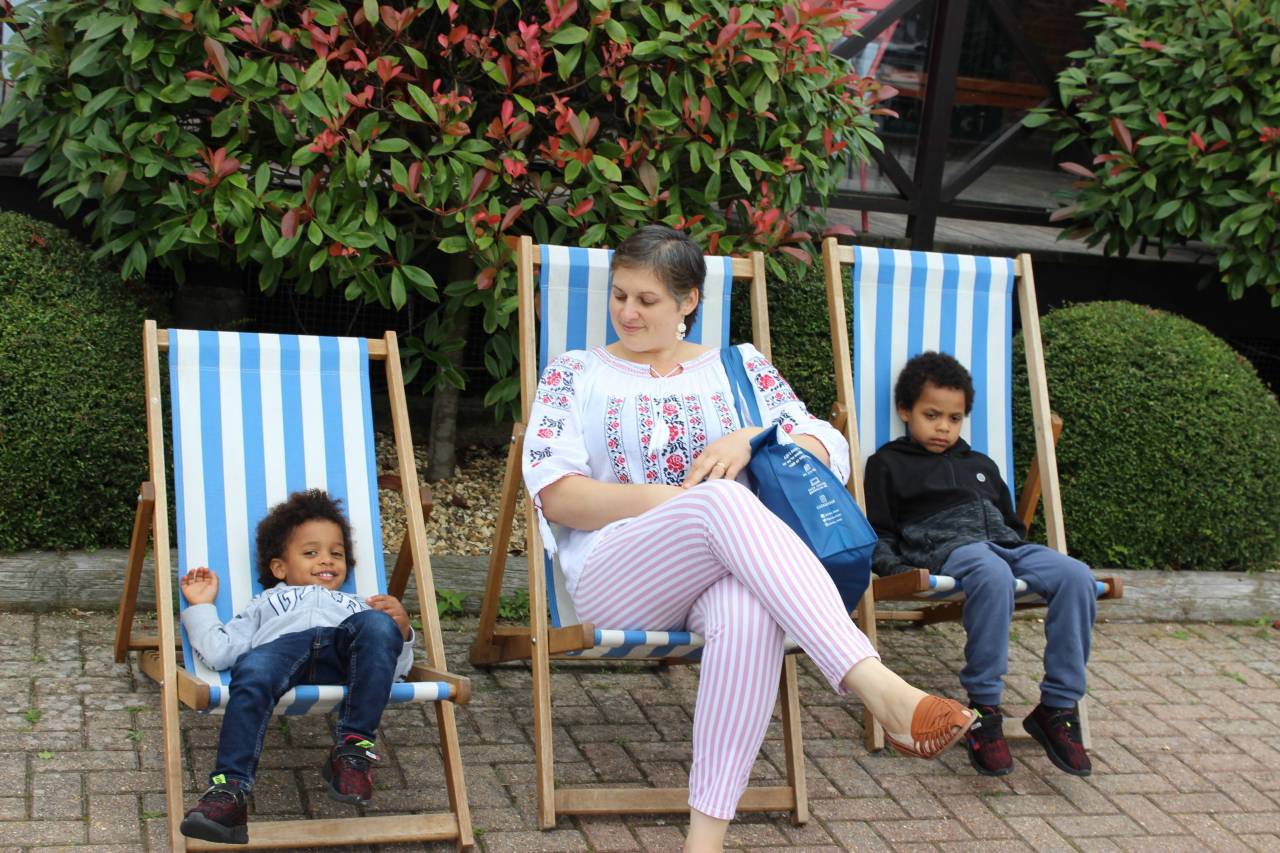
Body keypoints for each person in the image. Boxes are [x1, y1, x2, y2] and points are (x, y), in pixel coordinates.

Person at [523, 225, 974, 853]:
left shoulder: (738, 367)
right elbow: (558, 496)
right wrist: (680, 500)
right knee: (722, 498)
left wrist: (751, 437)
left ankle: (703, 843)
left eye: (647, 300)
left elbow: (828, 448)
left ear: (688, 301)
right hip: (615, 578)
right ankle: (876, 686)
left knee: (749, 612)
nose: (627, 312)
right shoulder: (574, 374)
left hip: (724, 571)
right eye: (619, 295)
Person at [863, 351, 1098, 779]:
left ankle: (1058, 707)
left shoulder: (981, 465)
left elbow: (1011, 521)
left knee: (1077, 575)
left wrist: (1018, 548)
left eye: (954, 419)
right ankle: (984, 709)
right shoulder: (888, 464)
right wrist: (895, 570)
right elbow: (879, 531)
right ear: (905, 411)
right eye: (931, 415)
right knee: (992, 575)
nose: (943, 427)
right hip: (947, 549)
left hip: (1005, 545)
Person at [176, 489, 415, 845]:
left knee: (378, 625)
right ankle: (229, 792)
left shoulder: (359, 606)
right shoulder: (266, 602)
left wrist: (402, 631)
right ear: (279, 568)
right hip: (280, 653)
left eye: (336, 553)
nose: (326, 560)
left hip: (342, 649)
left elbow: (392, 672)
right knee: (253, 669)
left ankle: (353, 752)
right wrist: (201, 606)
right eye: (310, 553)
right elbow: (220, 652)